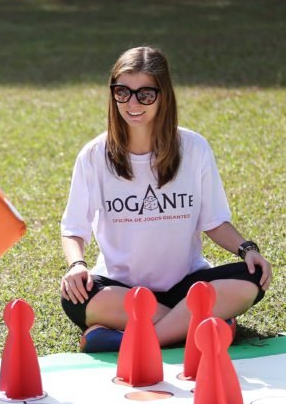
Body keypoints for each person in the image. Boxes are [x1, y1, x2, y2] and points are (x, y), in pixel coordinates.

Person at [59, 46, 273, 352]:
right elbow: (73, 228)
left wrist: (247, 249)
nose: (132, 103)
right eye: (122, 92)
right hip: (121, 291)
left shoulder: (194, 147)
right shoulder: (94, 155)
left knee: (250, 278)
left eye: (145, 94)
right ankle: (199, 326)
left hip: (186, 287)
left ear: (164, 96)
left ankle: (132, 342)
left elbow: (214, 222)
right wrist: (76, 266)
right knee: (75, 297)